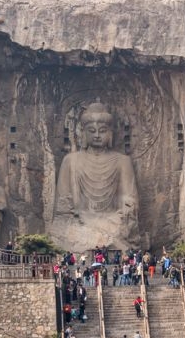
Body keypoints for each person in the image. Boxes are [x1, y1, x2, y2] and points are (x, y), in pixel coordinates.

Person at [53, 103, 141, 251]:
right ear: (83, 133)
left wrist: (127, 210)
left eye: (102, 131)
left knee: (120, 228)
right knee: (65, 229)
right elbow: (62, 205)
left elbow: (130, 200)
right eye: (92, 131)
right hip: (80, 221)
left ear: (110, 133)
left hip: (112, 220)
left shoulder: (122, 161)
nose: (97, 135)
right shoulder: (70, 161)